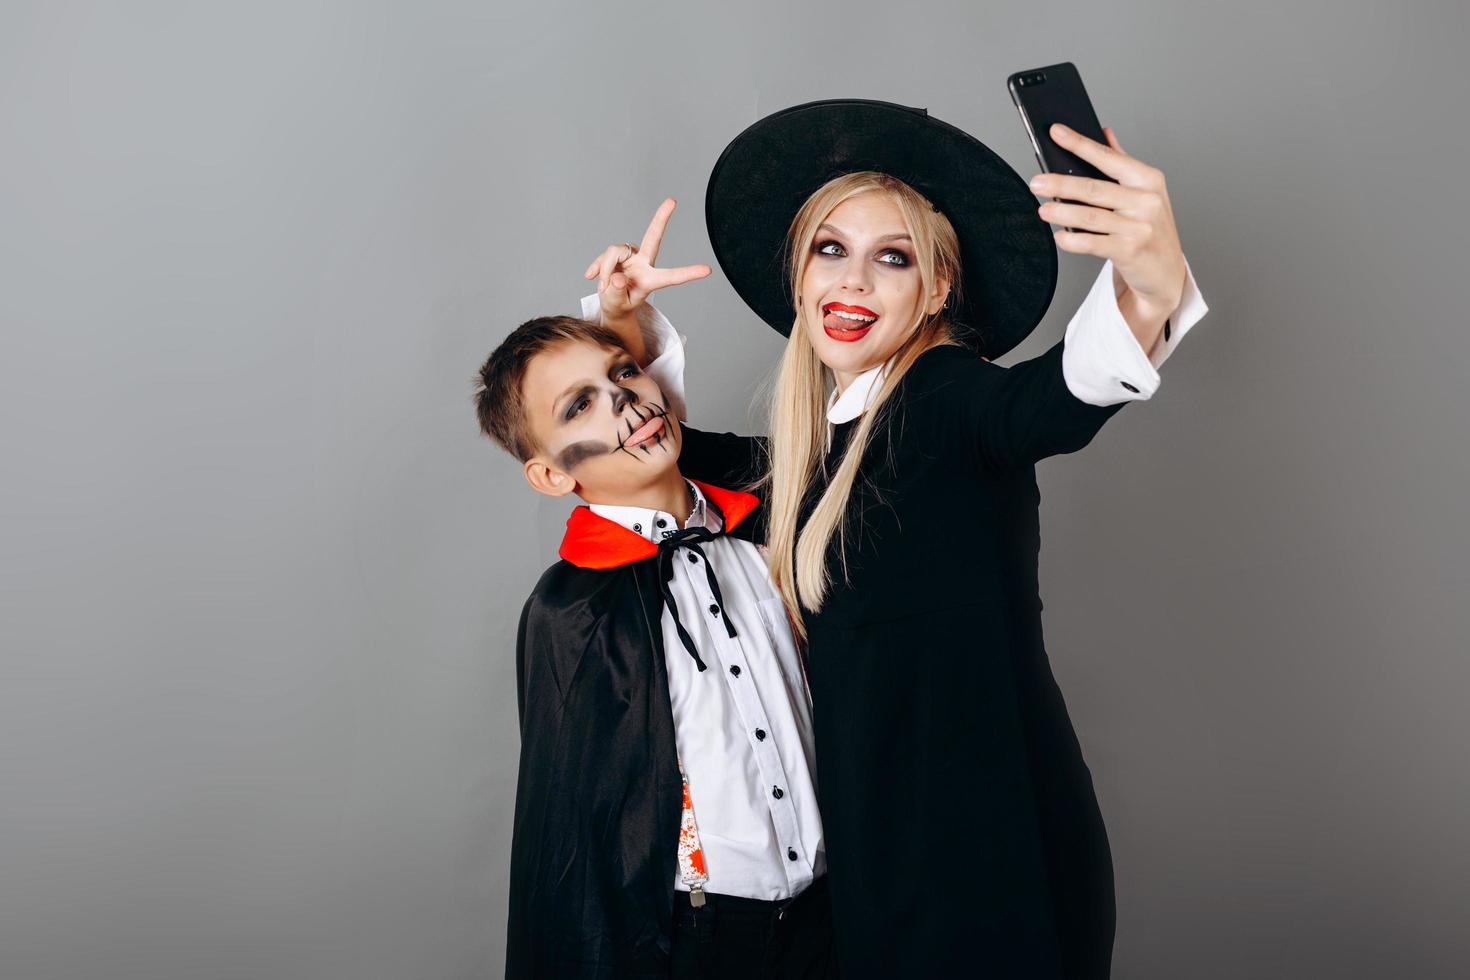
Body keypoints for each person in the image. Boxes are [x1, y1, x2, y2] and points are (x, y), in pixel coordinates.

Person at [578, 99, 1210, 977]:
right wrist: (617, 325)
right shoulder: (813, 450)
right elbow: (662, 454)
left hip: (992, 857)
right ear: (799, 276)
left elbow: (1052, 401)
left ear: (938, 289)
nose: (854, 284)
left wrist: (1151, 277)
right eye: (830, 250)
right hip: (874, 864)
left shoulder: (949, 400)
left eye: (894, 259)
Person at [474, 278, 838, 978]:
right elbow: (575, 831)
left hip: (838, 914)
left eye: (625, 374)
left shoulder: (771, 528)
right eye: (580, 404)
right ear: (550, 476)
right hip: (700, 936)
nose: (621, 400)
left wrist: (619, 322)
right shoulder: (572, 612)